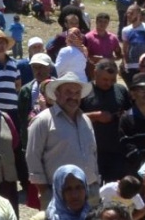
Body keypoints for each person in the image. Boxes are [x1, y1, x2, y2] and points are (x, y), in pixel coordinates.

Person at [26, 72, 99, 206]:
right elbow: (32, 157)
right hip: (58, 194)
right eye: (68, 92)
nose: (73, 96)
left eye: (77, 93)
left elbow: (93, 153)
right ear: (57, 94)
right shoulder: (43, 121)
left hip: (89, 192)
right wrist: (44, 191)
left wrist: (95, 182)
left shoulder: (85, 120)